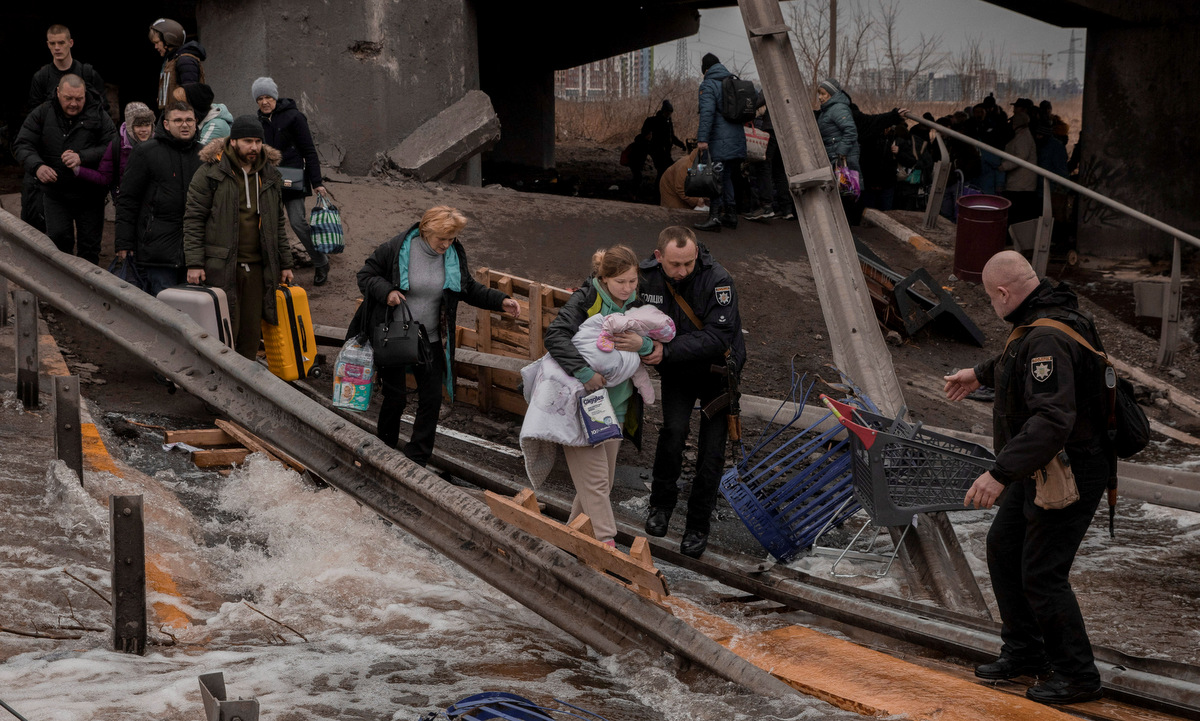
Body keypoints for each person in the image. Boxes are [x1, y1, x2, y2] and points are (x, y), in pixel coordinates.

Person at [943, 251, 1110, 706]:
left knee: (1042, 571)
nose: (992, 307)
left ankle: (1078, 676)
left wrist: (998, 473)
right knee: (1004, 546)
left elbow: (1053, 419)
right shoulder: (1047, 315)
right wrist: (978, 374)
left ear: (1001, 292)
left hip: (1069, 467)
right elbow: (1017, 358)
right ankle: (1026, 651)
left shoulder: (1047, 337)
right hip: (1040, 461)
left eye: (990, 299)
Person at [347, 206, 520, 466]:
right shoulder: (396, 248)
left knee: (431, 399)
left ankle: (417, 457)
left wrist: (501, 301)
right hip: (395, 335)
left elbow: (467, 288)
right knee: (395, 397)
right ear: (427, 230)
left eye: (451, 239)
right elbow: (366, 276)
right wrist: (387, 292)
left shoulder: (452, 254)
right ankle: (384, 448)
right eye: (443, 238)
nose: (447, 244)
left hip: (431, 337)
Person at [640, 226, 745, 558]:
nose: (682, 271)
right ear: (659, 258)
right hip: (679, 373)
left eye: (688, 263)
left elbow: (718, 337)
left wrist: (666, 351)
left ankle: (698, 525)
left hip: (716, 375)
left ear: (696, 254)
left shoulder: (718, 280)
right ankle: (660, 506)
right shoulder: (648, 278)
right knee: (673, 432)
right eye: (675, 265)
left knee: (711, 452)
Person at [541, 245, 656, 546]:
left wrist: (641, 345)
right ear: (604, 278)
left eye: (633, 281)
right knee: (595, 482)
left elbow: (652, 343)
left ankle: (568, 542)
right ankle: (607, 543)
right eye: (621, 282)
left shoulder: (635, 304)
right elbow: (555, 335)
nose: (628, 289)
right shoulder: (586, 299)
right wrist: (585, 373)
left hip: (617, 406)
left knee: (597, 485)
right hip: (584, 403)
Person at [183, 115, 295, 360]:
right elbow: (193, 219)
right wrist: (194, 262)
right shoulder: (210, 173)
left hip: (258, 269)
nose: (253, 147)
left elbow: (277, 224)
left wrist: (285, 263)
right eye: (247, 141)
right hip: (221, 266)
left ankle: (244, 389)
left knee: (250, 334)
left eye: (257, 141)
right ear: (233, 142)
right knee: (221, 331)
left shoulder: (270, 175)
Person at [13, 74, 115, 265]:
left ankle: (89, 291)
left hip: (90, 193)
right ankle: (61, 289)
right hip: (55, 193)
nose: (74, 104)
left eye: (79, 98)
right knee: (59, 240)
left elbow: (112, 146)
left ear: (85, 94)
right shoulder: (42, 113)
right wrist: (38, 166)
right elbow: (23, 144)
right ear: (58, 92)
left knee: (90, 246)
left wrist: (82, 156)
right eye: (68, 98)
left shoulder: (99, 114)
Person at [23, 24, 108, 234]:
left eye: (61, 42)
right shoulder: (42, 78)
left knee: (90, 238)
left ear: (70, 43)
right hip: (53, 161)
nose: (57, 48)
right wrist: (39, 164)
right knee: (53, 232)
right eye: (52, 44)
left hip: (85, 161)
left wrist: (86, 153)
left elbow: (103, 113)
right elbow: (32, 123)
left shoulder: (87, 73)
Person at [115, 101, 202, 296]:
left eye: (189, 120)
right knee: (164, 309)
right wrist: (124, 242)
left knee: (192, 309)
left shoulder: (204, 155)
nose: (184, 125)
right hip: (156, 250)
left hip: (194, 253)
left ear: (196, 122)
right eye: (178, 120)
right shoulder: (146, 152)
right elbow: (128, 200)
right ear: (166, 124)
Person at [254, 77, 332, 286]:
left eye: (268, 97)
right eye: (260, 98)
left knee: (298, 222)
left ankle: (320, 262)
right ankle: (276, 268)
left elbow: (309, 151)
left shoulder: (294, 117)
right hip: (268, 181)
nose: (264, 102)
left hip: (293, 180)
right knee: (268, 225)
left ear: (275, 97)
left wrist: (317, 182)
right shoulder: (257, 122)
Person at [694, 53, 747, 233]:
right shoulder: (733, 82)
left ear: (706, 70)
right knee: (727, 177)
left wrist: (702, 139)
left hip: (719, 141)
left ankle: (715, 217)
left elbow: (707, 114)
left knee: (714, 177)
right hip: (737, 140)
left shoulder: (709, 85)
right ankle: (731, 215)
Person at [75, 101, 155, 200]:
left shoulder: (159, 146)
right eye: (138, 126)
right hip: (127, 206)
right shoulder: (117, 146)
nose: (144, 130)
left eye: (147, 125)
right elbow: (104, 178)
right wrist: (78, 170)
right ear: (130, 127)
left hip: (154, 207)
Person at [814, 79, 861, 224]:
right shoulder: (828, 110)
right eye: (819, 94)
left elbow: (851, 131)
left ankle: (849, 230)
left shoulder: (838, 108)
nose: (820, 97)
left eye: (823, 94)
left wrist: (840, 153)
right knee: (843, 192)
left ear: (832, 94)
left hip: (842, 159)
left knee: (846, 192)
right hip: (836, 157)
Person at [150, 18, 206, 110]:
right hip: (172, 116)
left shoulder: (185, 61)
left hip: (181, 119)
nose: (155, 47)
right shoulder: (171, 61)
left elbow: (190, 97)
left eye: (157, 42)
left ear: (168, 40)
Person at [1000, 104, 1039, 225]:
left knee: (1017, 214)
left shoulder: (1023, 137)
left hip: (1020, 184)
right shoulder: (1023, 136)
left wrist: (1003, 166)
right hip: (1020, 182)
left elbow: (1020, 157)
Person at [642, 99, 687, 184]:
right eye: (667, 112)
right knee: (663, 171)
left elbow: (672, 137)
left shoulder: (668, 122)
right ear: (663, 111)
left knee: (668, 170)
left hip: (665, 152)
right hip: (657, 151)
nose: (669, 114)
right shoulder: (654, 121)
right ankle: (659, 192)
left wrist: (681, 145)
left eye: (670, 113)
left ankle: (662, 191)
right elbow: (645, 135)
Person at [658, 146, 707, 211]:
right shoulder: (686, 166)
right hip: (671, 187)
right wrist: (696, 201)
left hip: (687, 187)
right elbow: (681, 189)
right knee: (675, 212)